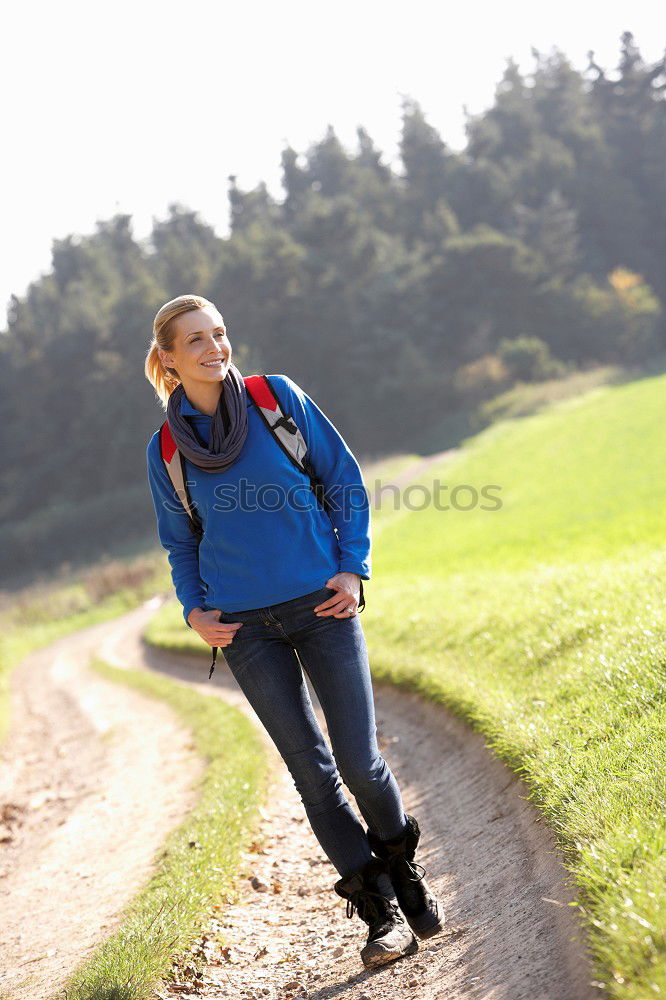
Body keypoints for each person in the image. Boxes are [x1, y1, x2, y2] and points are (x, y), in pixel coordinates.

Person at [144, 293, 444, 969]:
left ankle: (404, 870)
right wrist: (194, 610)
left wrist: (352, 568)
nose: (213, 347)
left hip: (323, 606)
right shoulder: (166, 448)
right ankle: (381, 915)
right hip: (245, 630)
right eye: (194, 339)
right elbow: (179, 542)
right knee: (312, 776)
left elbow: (342, 481)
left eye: (218, 333)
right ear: (168, 358)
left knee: (359, 763)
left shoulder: (274, 400)